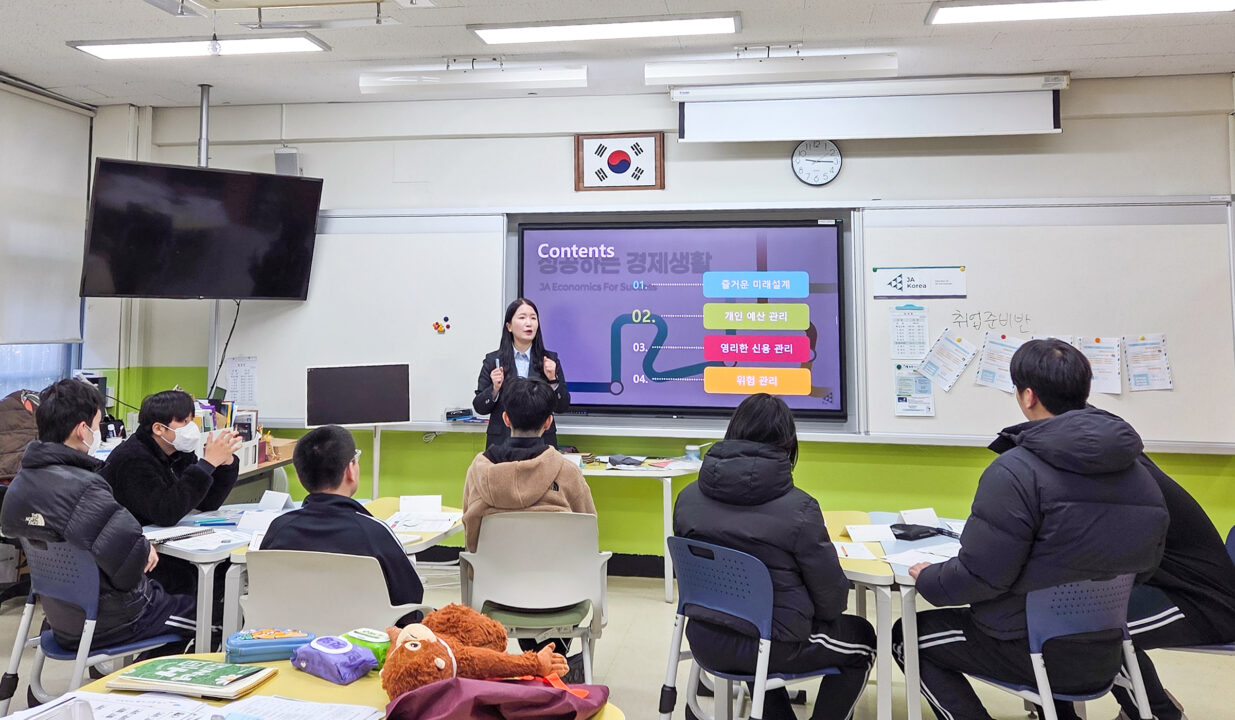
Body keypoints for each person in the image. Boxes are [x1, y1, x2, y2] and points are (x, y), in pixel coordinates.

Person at [893, 339, 1170, 720]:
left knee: (907, 636)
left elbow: (980, 577)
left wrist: (929, 579)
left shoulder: (1015, 472)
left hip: (1028, 649)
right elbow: (1146, 565)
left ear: (1027, 396)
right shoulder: (1139, 472)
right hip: (1109, 649)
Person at [673, 393, 875, 720]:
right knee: (862, 640)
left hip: (703, 637)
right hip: (769, 645)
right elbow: (832, 600)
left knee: (760, 625)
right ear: (788, 444)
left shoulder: (687, 500)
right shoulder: (800, 510)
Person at [0, 379, 196, 649]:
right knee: (210, 614)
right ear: (82, 430)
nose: (98, 432)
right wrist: (141, 546)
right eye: (97, 425)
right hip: (115, 618)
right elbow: (130, 568)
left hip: (62, 617)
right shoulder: (84, 488)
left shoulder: (23, 482)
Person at [462, 376, 596, 682]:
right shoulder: (567, 472)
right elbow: (589, 534)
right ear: (549, 422)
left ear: (505, 417)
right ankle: (551, 665)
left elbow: (471, 534)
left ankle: (533, 665)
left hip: (497, 592)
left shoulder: (479, 470)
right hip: (562, 591)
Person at [1108, 461, 1235, 720]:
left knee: (1094, 630)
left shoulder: (1125, 482)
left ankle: (1159, 713)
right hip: (1172, 587)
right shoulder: (1122, 467)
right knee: (1078, 619)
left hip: (1206, 604)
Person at [261, 424, 424, 624]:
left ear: (300, 478)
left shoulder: (279, 530)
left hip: (293, 644)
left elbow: (265, 592)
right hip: (366, 647)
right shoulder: (375, 533)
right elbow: (409, 600)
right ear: (350, 471)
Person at [100, 389, 242, 528]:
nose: (191, 427)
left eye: (191, 420)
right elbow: (165, 513)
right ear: (158, 428)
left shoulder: (178, 450)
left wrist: (225, 463)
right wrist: (207, 464)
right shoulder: (132, 459)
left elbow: (207, 502)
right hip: (129, 541)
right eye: (184, 422)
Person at [473, 298, 569, 449]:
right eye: (522, 317)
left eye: (533, 318)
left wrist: (552, 380)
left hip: (542, 442)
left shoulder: (550, 360)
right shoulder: (493, 360)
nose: (529, 323)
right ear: (509, 326)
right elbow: (480, 407)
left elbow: (562, 406)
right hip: (502, 443)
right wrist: (494, 389)